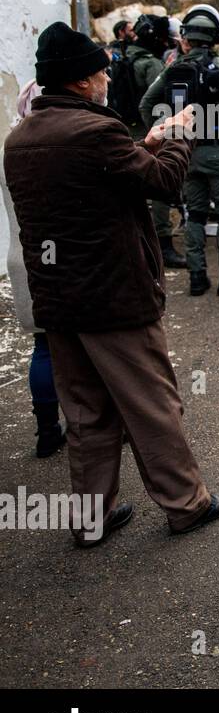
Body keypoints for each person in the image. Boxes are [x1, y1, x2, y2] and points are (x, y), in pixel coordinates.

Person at [4, 21, 219, 545]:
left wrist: (147, 141)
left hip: (59, 300)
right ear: (82, 82)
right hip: (114, 295)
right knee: (152, 405)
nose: (108, 76)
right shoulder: (94, 132)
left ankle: (92, 519)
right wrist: (177, 137)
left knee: (86, 414)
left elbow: (104, 177)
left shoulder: (20, 140)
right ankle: (186, 503)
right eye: (100, 70)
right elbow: (160, 182)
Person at [139, 4, 219, 297]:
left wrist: (165, 135)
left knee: (194, 214)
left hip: (186, 153)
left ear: (186, 38)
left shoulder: (172, 67)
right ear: (215, 37)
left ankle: (197, 277)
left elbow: (146, 104)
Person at [1, 78, 65, 458]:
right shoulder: (54, 149)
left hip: (23, 257)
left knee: (43, 347)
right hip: (58, 257)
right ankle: (90, 425)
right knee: (83, 347)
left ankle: (46, 430)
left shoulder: (9, 147)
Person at [115, 14, 188, 269]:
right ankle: (163, 243)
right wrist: (161, 130)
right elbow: (156, 101)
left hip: (124, 129)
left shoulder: (123, 55)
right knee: (157, 187)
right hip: (146, 134)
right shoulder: (151, 64)